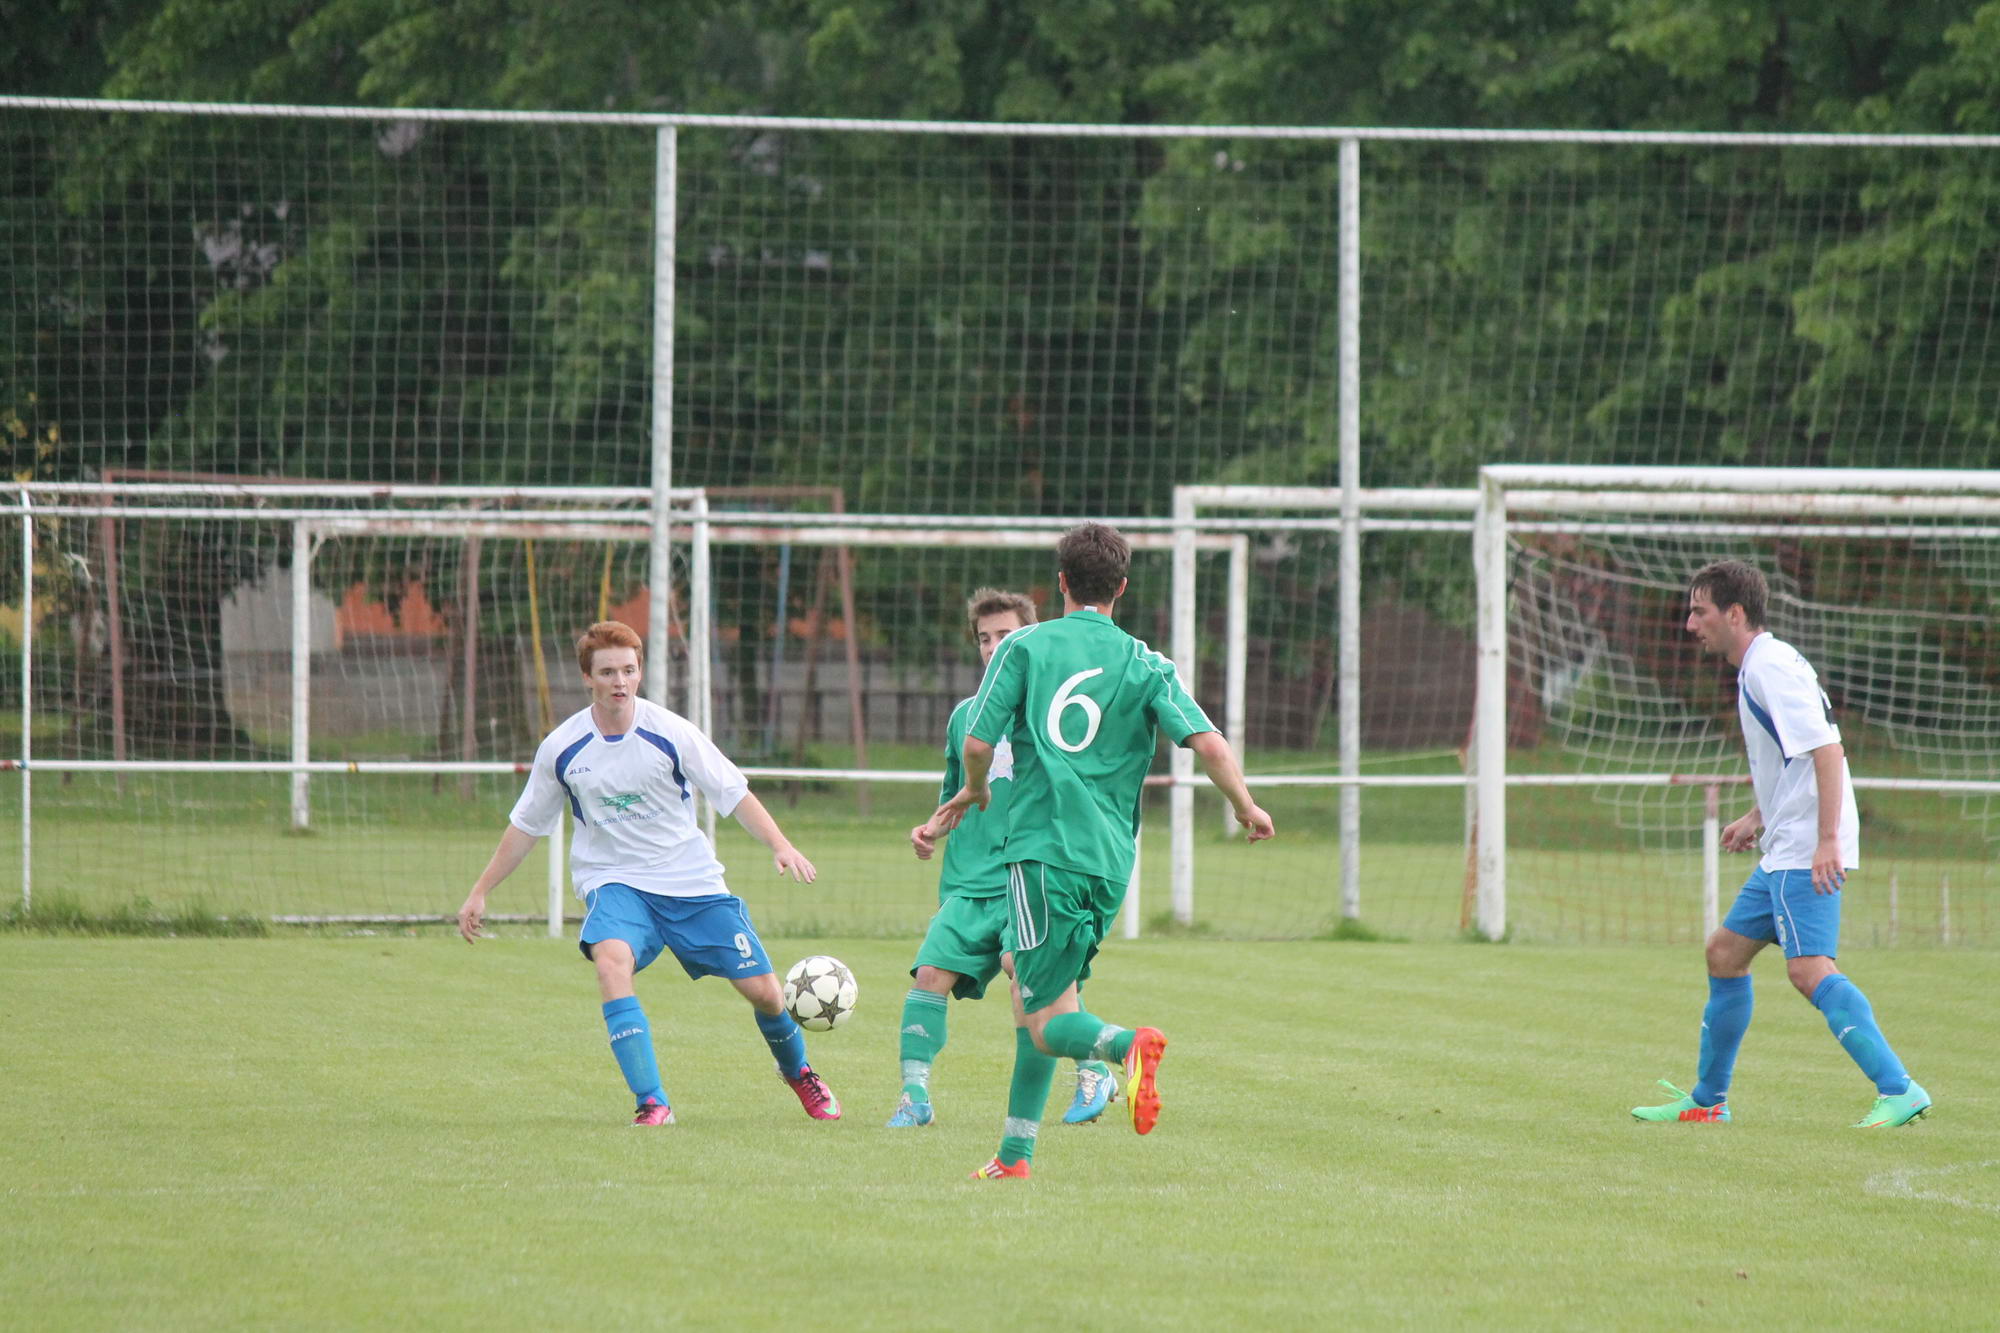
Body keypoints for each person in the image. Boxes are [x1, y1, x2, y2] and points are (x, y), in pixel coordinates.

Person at [934, 523, 1275, 1179]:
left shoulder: (1024, 647)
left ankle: (1127, 1047)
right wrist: (1245, 806)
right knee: (1043, 997)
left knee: (1043, 1019)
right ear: (1121, 586)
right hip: (1112, 864)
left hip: (1043, 852)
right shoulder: (1146, 662)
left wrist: (974, 790)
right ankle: (1014, 1156)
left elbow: (977, 743)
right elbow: (1208, 743)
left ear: (1060, 582)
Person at [456, 620, 841, 1126]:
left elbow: (732, 792)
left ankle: (798, 1072)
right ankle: (653, 1102)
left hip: (690, 881)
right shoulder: (562, 747)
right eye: (607, 672)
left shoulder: (671, 732)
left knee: (767, 993)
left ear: (640, 672)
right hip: (615, 882)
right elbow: (526, 825)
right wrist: (481, 890)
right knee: (610, 963)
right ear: (587, 678)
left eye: (629, 670)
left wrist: (780, 844)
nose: (620, 681)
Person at [1633, 561, 1930, 1128]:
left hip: (1804, 846)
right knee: (1724, 953)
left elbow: (1828, 752)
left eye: (1699, 611)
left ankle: (1899, 1087)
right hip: (1789, 839)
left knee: (1809, 969)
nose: (1690, 624)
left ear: (1734, 613)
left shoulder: (1768, 668)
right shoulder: (1764, 663)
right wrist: (1757, 815)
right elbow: (1794, 761)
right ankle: (1708, 1101)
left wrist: (1825, 841)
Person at [890, 588, 1120, 1130]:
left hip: (1032, 875)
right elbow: (956, 794)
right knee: (930, 973)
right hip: (971, 880)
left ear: (1030, 638)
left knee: (1026, 973)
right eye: (984, 638)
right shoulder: (965, 718)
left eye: (1005, 636)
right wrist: (931, 828)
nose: (993, 647)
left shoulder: (1053, 715)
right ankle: (914, 1097)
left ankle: (1093, 1070)